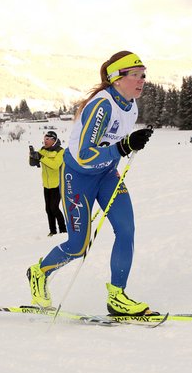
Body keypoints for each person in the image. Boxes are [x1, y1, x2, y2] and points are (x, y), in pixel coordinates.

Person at [26, 51, 154, 316]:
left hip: (107, 175)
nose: (142, 80)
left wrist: (128, 144)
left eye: (144, 75)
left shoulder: (131, 105)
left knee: (126, 229)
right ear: (117, 78)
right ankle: (39, 272)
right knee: (77, 247)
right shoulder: (102, 105)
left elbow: (113, 144)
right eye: (136, 75)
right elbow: (84, 155)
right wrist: (123, 146)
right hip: (78, 177)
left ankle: (117, 296)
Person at [29, 131, 68, 237]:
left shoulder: (60, 151)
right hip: (46, 185)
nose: (45, 141)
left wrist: (41, 157)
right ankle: (53, 231)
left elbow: (55, 165)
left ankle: (63, 230)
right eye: (44, 139)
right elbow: (34, 164)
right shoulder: (43, 150)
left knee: (54, 208)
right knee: (48, 209)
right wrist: (33, 157)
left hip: (57, 184)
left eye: (47, 139)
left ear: (53, 140)